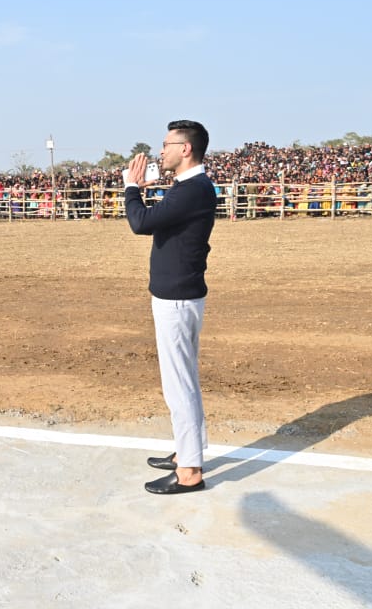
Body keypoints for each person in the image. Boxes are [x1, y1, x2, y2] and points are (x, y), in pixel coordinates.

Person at [124, 120, 216, 495]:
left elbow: (140, 222)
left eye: (166, 145)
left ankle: (190, 471)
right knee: (183, 380)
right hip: (181, 295)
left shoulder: (192, 189)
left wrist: (131, 188)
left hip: (177, 299)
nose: (161, 152)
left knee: (179, 385)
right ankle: (187, 453)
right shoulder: (189, 188)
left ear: (186, 149)